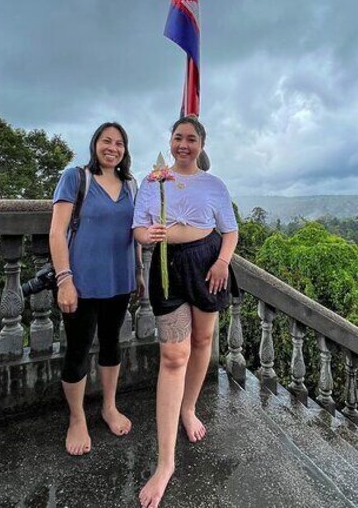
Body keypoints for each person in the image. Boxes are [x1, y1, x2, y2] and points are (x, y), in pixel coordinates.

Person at [132, 115, 239, 508]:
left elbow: (229, 230)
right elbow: (138, 230)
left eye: (191, 139)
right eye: (178, 137)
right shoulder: (153, 182)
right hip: (166, 266)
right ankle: (165, 463)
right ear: (170, 141)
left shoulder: (214, 185)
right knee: (174, 355)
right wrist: (149, 235)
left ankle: (189, 408)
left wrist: (223, 262)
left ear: (201, 144)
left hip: (206, 262)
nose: (184, 145)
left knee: (203, 340)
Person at [49, 121, 144, 456]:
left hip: (120, 280)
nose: (113, 148)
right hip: (83, 282)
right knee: (77, 349)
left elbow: (135, 232)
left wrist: (140, 272)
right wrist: (64, 279)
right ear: (95, 144)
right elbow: (57, 231)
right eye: (107, 141)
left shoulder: (131, 183)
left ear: (125, 150)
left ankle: (109, 406)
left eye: (119, 143)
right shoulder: (76, 178)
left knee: (111, 344)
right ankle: (76, 418)